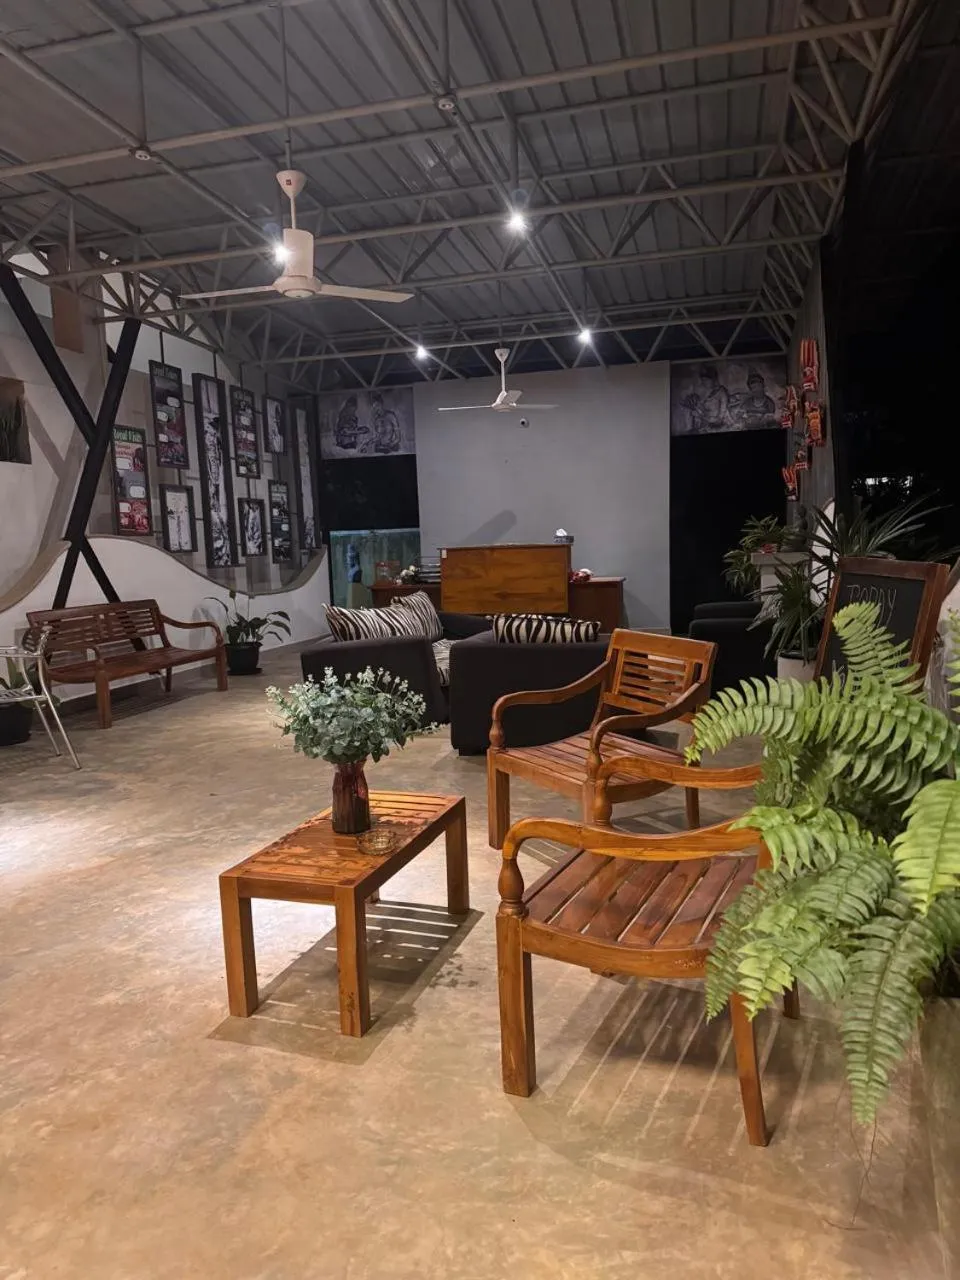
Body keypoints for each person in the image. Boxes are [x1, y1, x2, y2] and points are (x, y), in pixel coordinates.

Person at [680, 365, 730, 432]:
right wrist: (697, 409)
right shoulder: (709, 394)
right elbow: (704, 412)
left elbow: (719, 419)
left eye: (705, 380)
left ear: (713, 379)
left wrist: (700, 416)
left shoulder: (722, 393)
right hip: (708, 428)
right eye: (702, 380)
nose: (703, 383)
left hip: (719, 429)